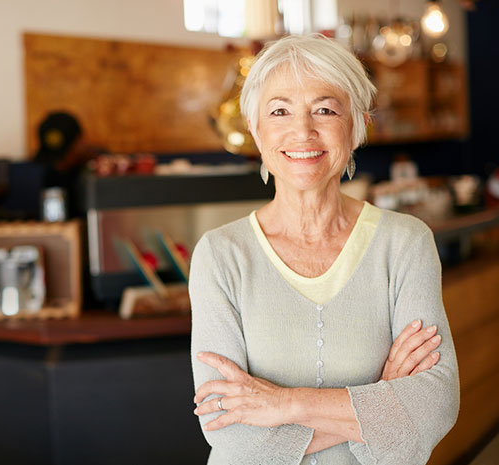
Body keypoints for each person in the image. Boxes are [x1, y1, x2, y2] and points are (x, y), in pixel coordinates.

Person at [190, 34, 459, 465]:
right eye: (279, 111)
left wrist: (282, 404)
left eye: (325, 109)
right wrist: (379, 404)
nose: (303, 131)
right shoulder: (220, 255)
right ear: (256, 130)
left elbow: (434, 407)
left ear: (355, 125)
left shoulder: (406, 243)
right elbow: (233, 435)